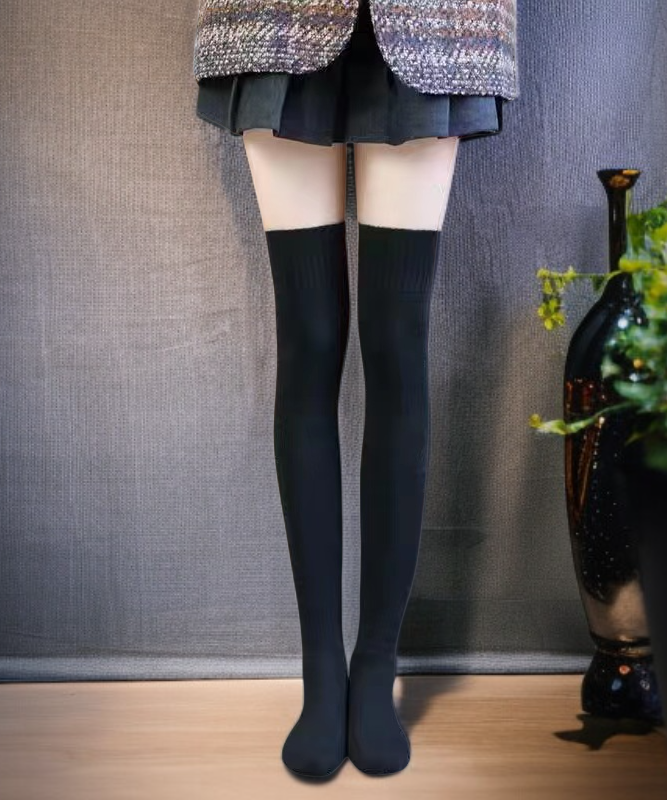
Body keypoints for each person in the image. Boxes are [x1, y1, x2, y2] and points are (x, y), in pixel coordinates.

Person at [192, 0, 520, 779]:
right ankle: (321, 671)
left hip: (437, 25)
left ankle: (375, 666)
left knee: (398, 345)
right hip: (273, 21)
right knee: (307, 342)